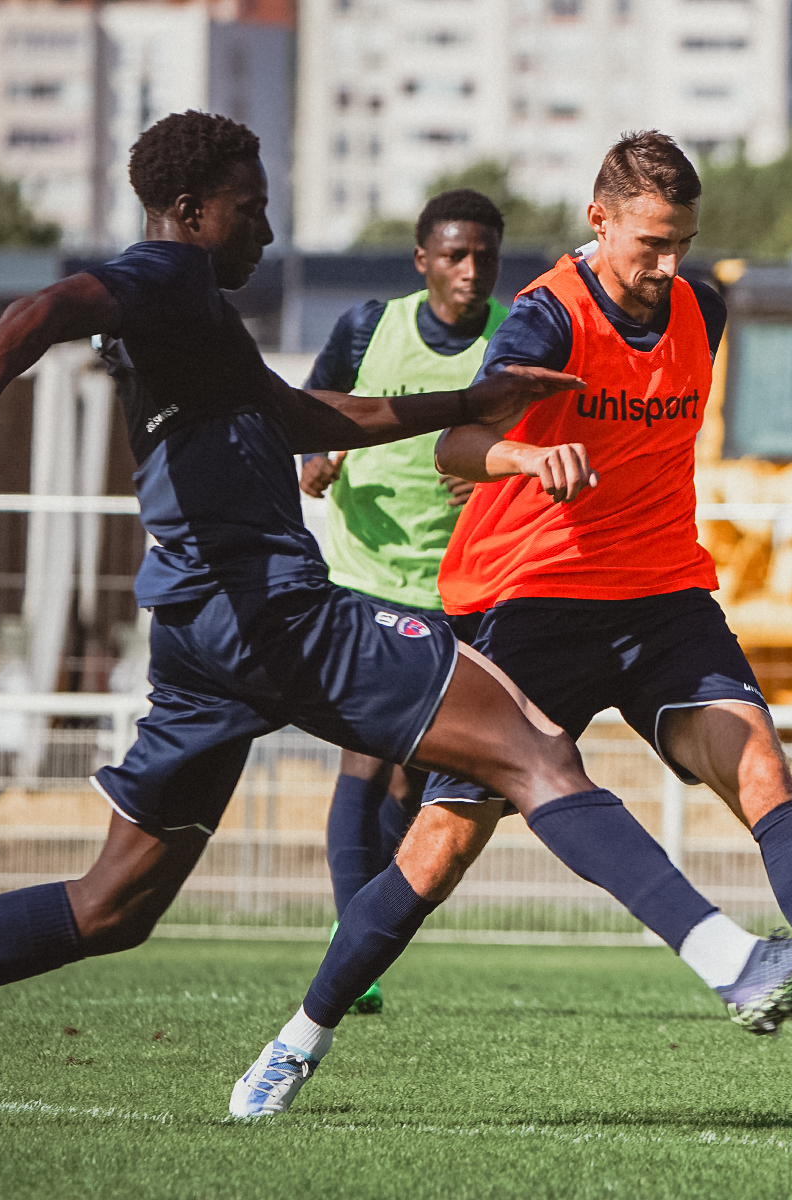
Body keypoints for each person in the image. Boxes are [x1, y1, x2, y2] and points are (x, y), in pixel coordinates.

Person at [0, 113, 792, 1115]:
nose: (269, 231)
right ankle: (733, 960)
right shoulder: (163, 275)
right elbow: (58, 300)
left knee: (111, 905)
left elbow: (308, 417)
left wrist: (470, 398)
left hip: (198, 636)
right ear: (193, 211)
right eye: (252, 209)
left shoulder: (197, 318)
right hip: (274, 613)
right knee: (535, 750)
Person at [416, 130, 792, 1083]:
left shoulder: (705, 309)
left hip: (664, 597)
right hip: (538, 599)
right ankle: (300, 1038)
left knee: (767, 772)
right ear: (597, 218)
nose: (668, 264)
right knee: (440, 848)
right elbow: (455, 446)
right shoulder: (545, 321)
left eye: (682, 243)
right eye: (650, 242)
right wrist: (523, 457)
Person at [298, 187, 509, 1016]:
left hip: (459, 584)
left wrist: (492, 475)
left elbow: (534, 445)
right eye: (454, 255)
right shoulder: (365, 327)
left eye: (484, 255)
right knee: (364, 757)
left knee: (418, 781)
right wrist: (318, 456)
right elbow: (312, 407)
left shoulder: (515, 337)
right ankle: (358, 944)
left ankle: (368, 928)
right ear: (422, 260)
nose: (470, 270)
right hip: (363, 573)